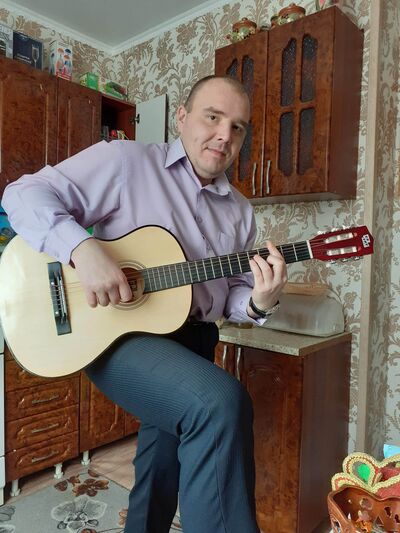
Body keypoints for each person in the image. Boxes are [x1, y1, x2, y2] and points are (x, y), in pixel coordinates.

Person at [2, 75, 287, 533]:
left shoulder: (240, 211)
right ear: (182, 118)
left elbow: (232, 292)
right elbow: (22, 193)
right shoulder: (126, 162)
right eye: (213, 117)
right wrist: (82, 250)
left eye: (237, 127)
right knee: (219, 405)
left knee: (160, 467)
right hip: (120, 336)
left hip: (194, 340)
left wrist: (258, 302)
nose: (224, 135)